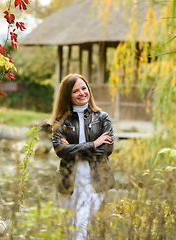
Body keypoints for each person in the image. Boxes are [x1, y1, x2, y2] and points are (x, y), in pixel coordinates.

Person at [48, 73, 115, 239]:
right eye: (75, 91)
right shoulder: (60, 121)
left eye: (84, 88)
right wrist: (93, 144)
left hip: (95, 180)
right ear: (67, 95)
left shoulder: (102, 118)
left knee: (81, 225)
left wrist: (72, 149)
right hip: (68, 182)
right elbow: (60, 151)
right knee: (71, 228)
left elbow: (106, 150)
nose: (82, 93)